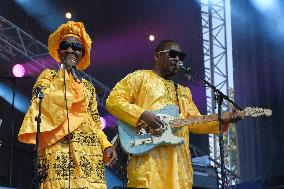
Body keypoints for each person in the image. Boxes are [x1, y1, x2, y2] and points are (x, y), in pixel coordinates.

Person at [106, 40, 240, 189]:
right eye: (172, 54)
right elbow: (114, 100)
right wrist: (142, 114)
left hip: (179, 168)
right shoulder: (140, 78)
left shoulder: (183, 92)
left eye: (180, 56)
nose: (177, 59)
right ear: (157, 56)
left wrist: (223, 118)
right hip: (149, 164)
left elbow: (196, 121)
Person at [18, 21, 116, 189]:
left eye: (76, 47)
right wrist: (65, 73)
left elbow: (94, 123)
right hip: (59, 152)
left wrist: (106, 145)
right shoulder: (48, 76)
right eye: (66, 45)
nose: (71, 50)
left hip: (88, 155)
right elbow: (42, 105)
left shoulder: (88, 87)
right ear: (59, 51)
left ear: (82, 53)